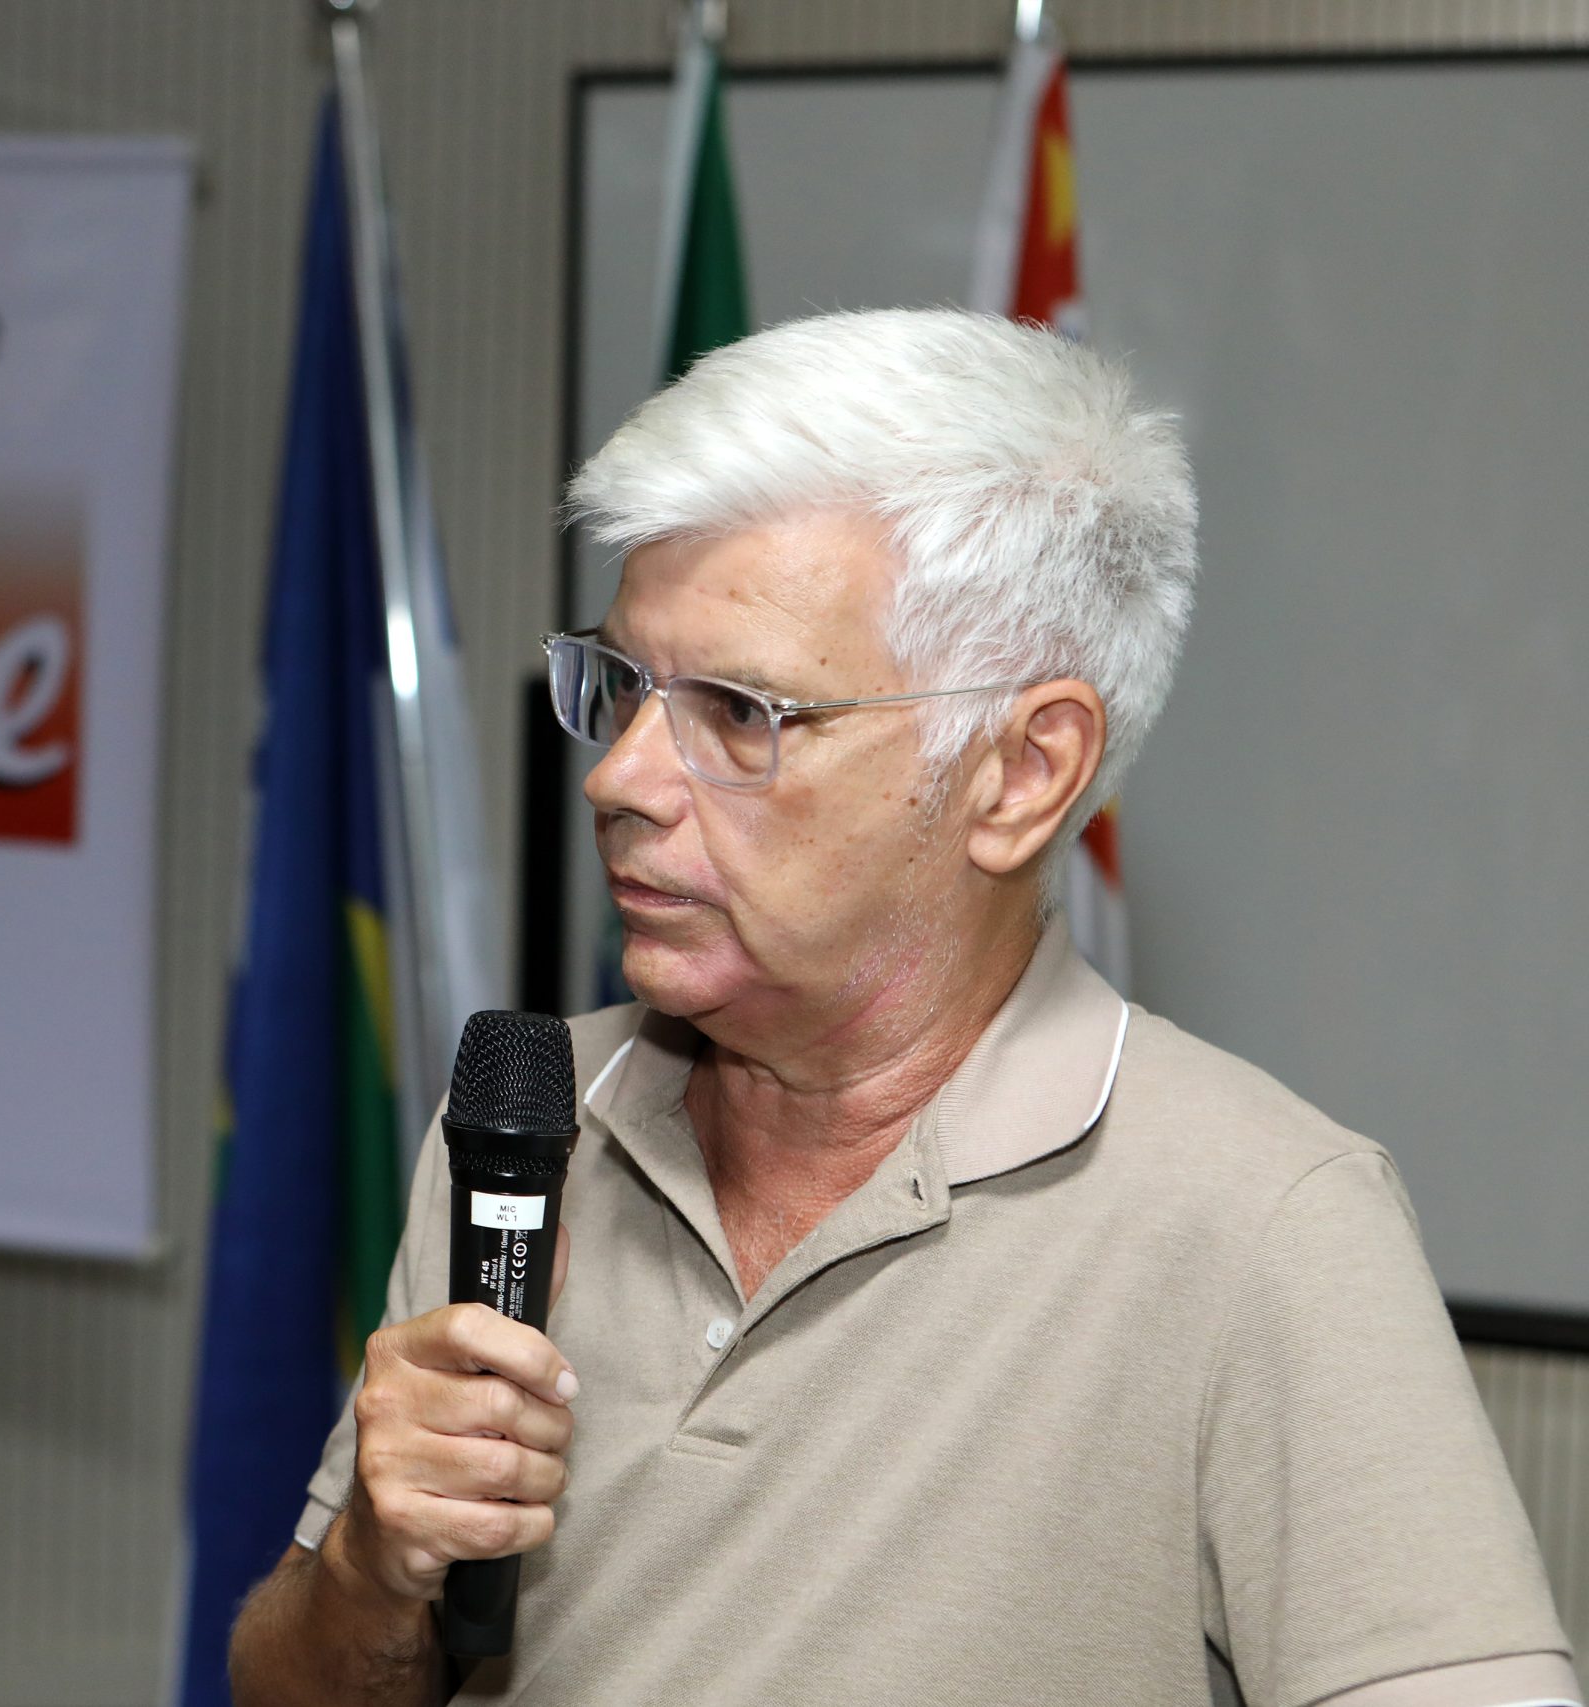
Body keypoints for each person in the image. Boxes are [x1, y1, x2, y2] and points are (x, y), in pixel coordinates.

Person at [225, 308, 1578, 1706]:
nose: (617, 779)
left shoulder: (1266, 1224)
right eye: (621, 686)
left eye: (743, 713)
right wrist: (373, 1572)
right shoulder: (526, 1128)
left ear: (1021, 773)